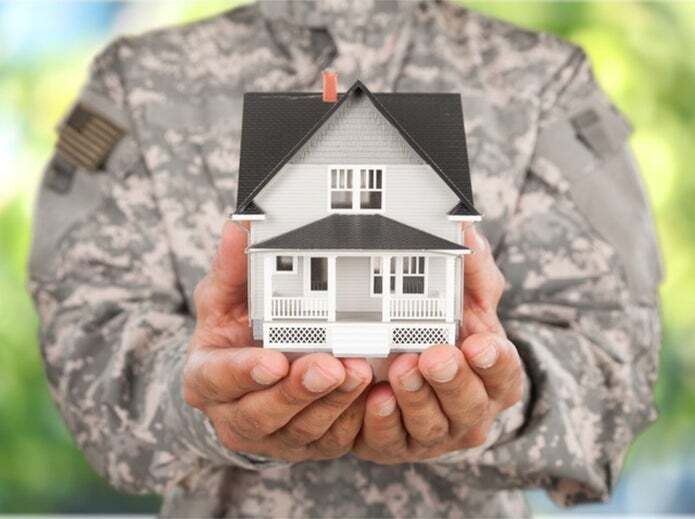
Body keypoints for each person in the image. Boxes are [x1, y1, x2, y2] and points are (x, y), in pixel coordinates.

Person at [28, 1, 663, 517]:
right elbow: (85, 346)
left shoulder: (544, 83)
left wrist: (499, 396)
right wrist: (198, 396)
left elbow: (616, 370)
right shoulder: (140, 83)